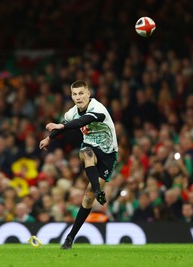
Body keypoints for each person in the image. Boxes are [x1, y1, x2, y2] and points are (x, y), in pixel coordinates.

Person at [39, 80, 118, 249]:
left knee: (88, 196)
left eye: (81, 93)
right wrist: (48, 138)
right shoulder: (70, 113)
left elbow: (83, 121)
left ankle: (72, 232)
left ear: (88, 93)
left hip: (108, 154)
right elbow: (63, 127)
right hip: (90, 147)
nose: (78, 97)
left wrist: (62, 125)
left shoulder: (98, 108)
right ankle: (69, 239)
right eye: (74, 94)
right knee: (85, 153)